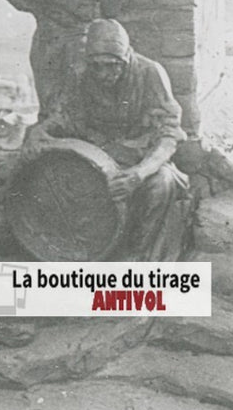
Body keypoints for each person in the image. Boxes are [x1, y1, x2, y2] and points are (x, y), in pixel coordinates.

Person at [23, 18, 191, 262]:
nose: (103, 74)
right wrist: (39, 133)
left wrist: (139, 173)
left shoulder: (150, 73)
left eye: (112, 66)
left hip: (139, 159)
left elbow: (169, 135)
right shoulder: (81, 73)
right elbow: (63, 116)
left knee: (162, 184)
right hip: (96, 153)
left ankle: (140, 257)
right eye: (97, 66)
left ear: (126, 58)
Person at [5, 0, 103, 117]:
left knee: (79, 89)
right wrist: (43, 13)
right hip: (49, 41)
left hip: (79, 44)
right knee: (49, 92)